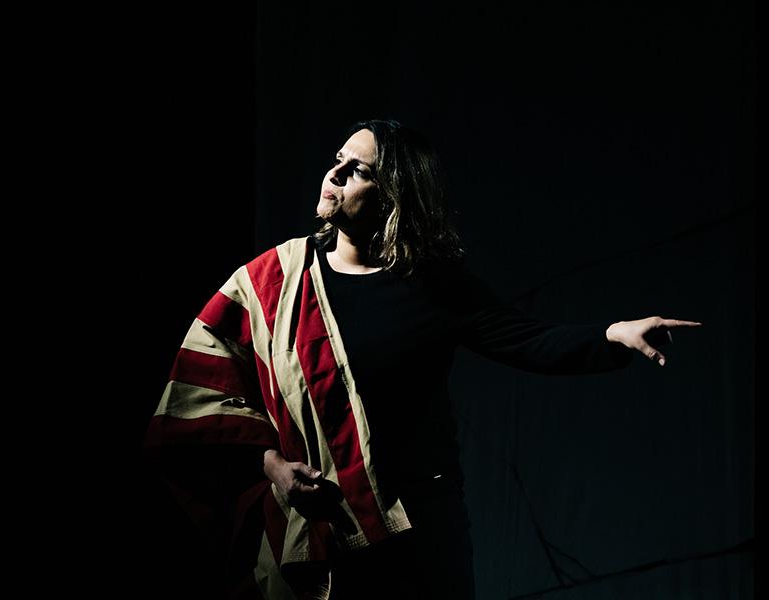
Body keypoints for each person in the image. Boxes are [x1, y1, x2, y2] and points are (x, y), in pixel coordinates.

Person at [144, 119, 702, 600]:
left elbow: (530, 341)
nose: (334, 175)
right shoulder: (273, 282)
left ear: (394, 195)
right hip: (320, 528)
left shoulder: (430, 288)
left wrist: (614, 333)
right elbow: (211, 387)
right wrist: (271, 465)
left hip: (419, 534)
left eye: (357, 170)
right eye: (337, 161)